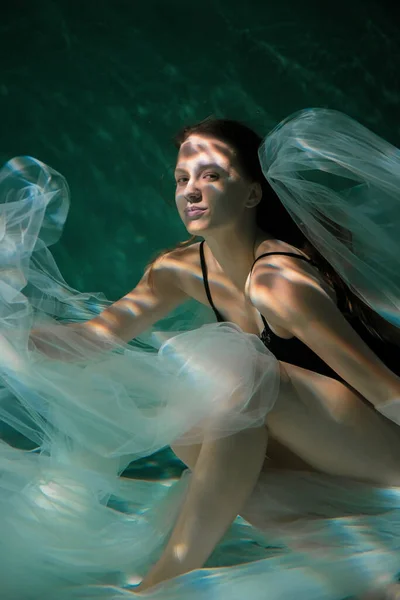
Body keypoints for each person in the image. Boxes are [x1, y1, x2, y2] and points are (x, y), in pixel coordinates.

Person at [0, 109, 400, 599]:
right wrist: (14, 327)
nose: (191, 190)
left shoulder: (280, 283)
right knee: (198, 428)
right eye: (181, 178)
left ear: (253, 193)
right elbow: (96, 337)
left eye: (211, 176)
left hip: (385, 446)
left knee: (245, 375)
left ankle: (157, 587)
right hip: (317, 448)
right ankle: (373, 585)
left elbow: (384, 388)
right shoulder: (179, 268)